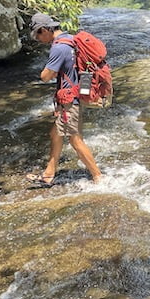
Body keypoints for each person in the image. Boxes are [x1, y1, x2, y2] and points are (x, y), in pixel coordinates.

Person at [29, 13, 102, 185]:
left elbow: (46, 76)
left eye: (38, 33)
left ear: (46, 29)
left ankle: (98, 177)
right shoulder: (70, 39)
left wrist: (43, 73)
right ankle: (49, 174)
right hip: (75, 94)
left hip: (69, 100)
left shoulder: (59, 48)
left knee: (75, 139)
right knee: (55, 133)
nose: (38, 38)